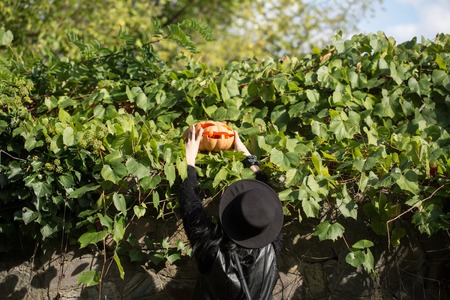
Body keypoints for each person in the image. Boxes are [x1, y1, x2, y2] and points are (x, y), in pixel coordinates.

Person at [179, 125, 284, 300]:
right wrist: (250, 160)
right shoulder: (272, 248)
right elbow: (190, 205)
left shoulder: (211, 250)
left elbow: (188, 201)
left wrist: (189, 160)